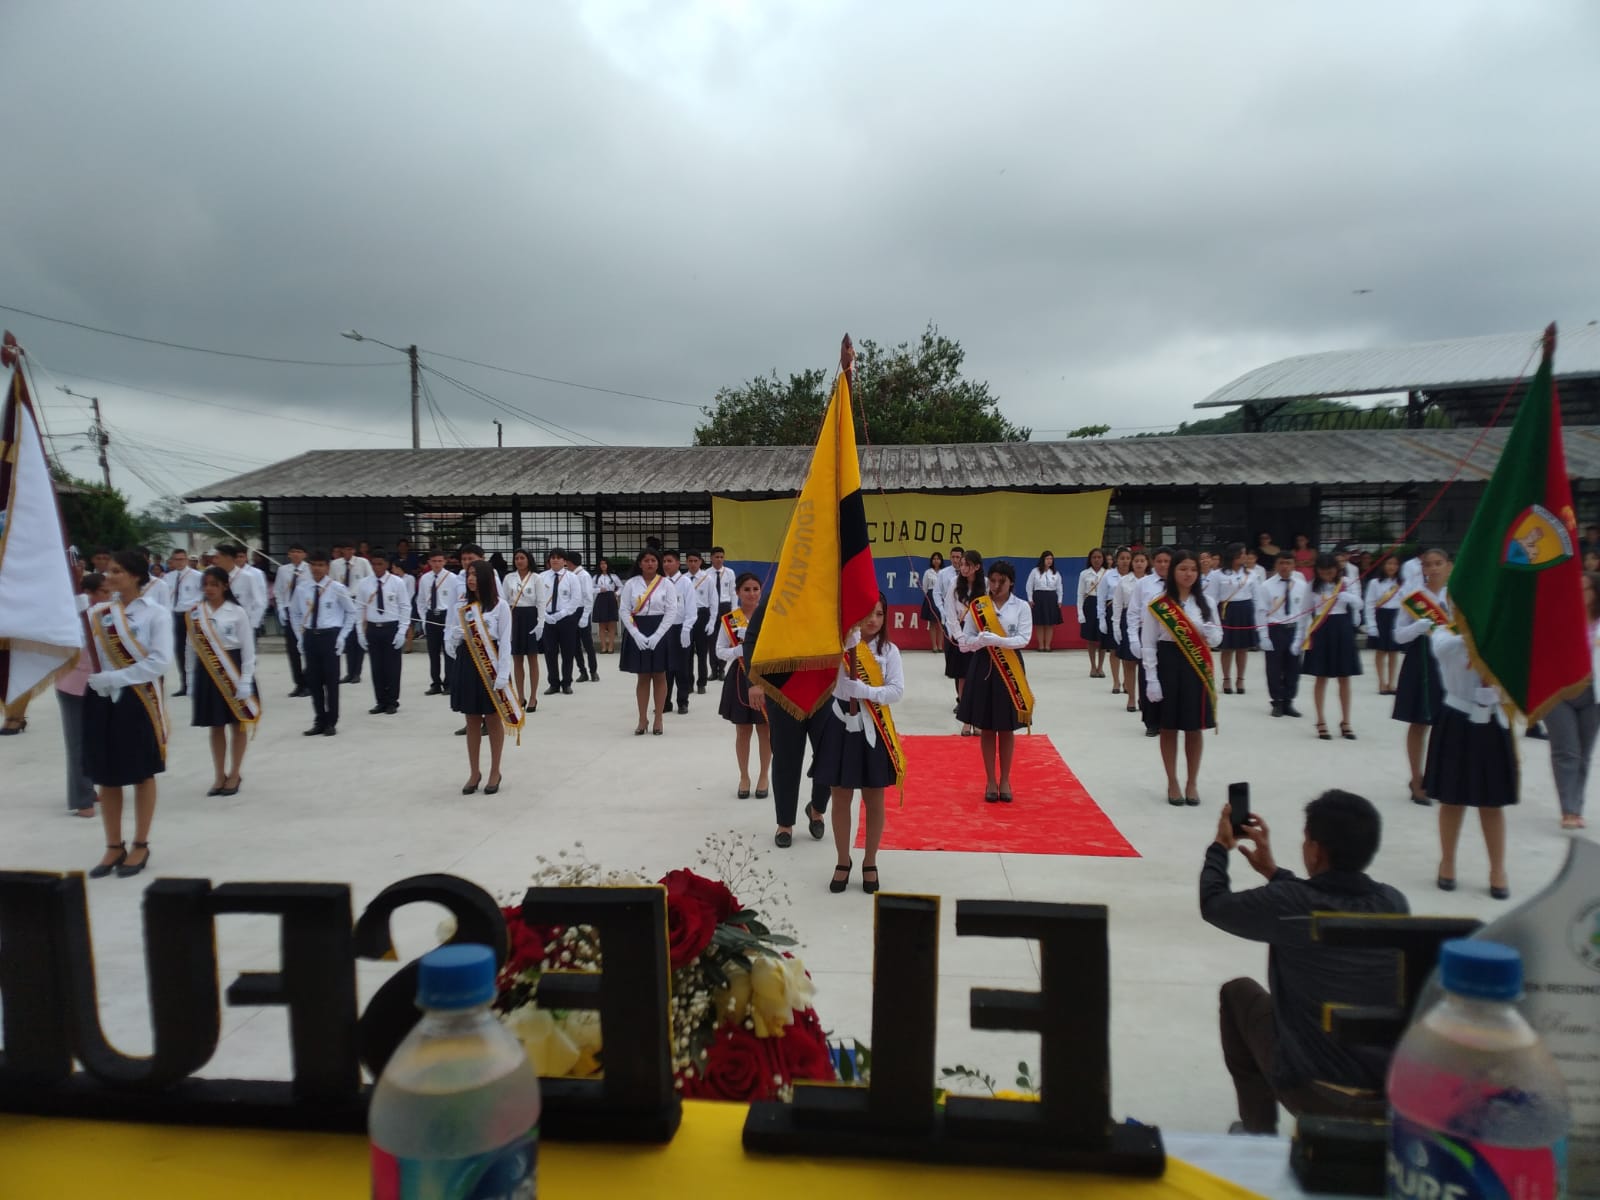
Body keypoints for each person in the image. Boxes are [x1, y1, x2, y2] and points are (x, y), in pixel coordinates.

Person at [1202, 789, 1409, 1135]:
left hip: (1313, 1091)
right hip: (1385, 1093)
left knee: (1237, 994)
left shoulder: (1290, 903)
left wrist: (1220, 847)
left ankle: (1258, 1134)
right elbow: (1320, 901)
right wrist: (1275, 873)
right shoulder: (1393, 903)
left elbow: (1214, 904)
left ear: (1315, 850)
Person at [83, 549, 174, 879]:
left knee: (141, 772)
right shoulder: (97, 613)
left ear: (135, 576)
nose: (108, 576)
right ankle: (113, 845)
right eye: (109, 571)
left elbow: (159, 661)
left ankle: (140, 843)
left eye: (117, 571)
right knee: (106, 774)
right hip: (101, 698)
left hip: (138, 699)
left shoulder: (155, 614)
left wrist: (116, 678)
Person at [816, 593, 905, 896]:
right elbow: (823, 681)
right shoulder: (840, 646)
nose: (873, 620)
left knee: (874, 797)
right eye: (868, 614)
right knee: (841, 796)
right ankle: (843, 859)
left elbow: (896, 691)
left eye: (880, 614)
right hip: (841, 723)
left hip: (873, 726)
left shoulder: (889, 650)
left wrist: (865, 690)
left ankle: (870, 860)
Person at [1426, 628, 1517, 898]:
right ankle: (1447, 862)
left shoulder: (1504, 639)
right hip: (1458, 718)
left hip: (1493, 718)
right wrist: (1474, 640)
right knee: (1451, 799)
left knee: (1492, 802)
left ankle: (1497, 869)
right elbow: (1442, 649)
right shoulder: (1446, 635)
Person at [1135, 549, 1221, 807]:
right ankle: (1172, 781)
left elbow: (1217, 638)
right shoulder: (1159, 603)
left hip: (1195, 666)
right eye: (1183, 569)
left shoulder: (1207, 603)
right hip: (1167, 663)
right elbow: (1148, 643)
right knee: (1168, 727)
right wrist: (1151, 678)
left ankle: (1192, 782)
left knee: (1194, 727)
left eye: (1193, 569)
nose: (1188, 574)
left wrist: (1209, 632)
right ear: (1173, 572)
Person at [956, 559, 1033, 802]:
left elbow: (1024, 638)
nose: (997, 585)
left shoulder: (1021, 606)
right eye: (993, 580)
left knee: (1006, 728)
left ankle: (1006, 779)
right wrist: (979, 641)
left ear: (1012, 583)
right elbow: (966, 641)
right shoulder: (979, 606)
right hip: (984, 665)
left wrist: (998, 640)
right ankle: (990, 779)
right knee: (987, 727)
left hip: (1009, 668)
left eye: (1002, 581)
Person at [445, 560, 515, 795]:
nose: (471, 579)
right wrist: (456, 636)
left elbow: (505, 641)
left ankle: (495, 770)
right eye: (468, 574)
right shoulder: (463, 605)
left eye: (475, 574)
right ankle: (474, 772)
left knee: (492, 718)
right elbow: (452, 635)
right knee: (472, 719)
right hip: (468, 662)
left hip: (491, 663)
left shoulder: (500, 606)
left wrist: (503, 673)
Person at [187, 565, 258, 795]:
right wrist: (189, 679)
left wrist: (246, 679)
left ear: (225, 586)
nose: (209, 589)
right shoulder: (196, 613)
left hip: (233, 668)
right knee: (215, 726)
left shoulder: (237, 612)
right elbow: (190, 648)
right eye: (205, 585)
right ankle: (219, 774)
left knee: (237, 724)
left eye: (214, 585)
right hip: (207, 671)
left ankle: (235, 773)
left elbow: (248, 649)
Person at [1393, 549, 1452, 804]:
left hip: (1451, 660)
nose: (1434, 569)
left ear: (1449, 566)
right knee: (1419, 721)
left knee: (1446, 723)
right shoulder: (1415, 598)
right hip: (1422, 659)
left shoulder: (1456, 595)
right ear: (1423, 568)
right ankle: (1416, 779)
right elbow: (1398, 635)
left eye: (1439, 563)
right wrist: (1418, 627)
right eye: (1429, 564)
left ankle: (1437, 777)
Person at [1545, 571, 1598, 831]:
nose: (1579, 593)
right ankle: (1568, 809)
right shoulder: (1558, 617)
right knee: (1566, 750)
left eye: (1585, 589)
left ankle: (1577, 806)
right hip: (1559, 693)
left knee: (1583, 753)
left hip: (1593, 694)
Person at [57, 569, 108, 818]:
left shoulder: (105, 614)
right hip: (73, 684)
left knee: (96, 739)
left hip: (98, 684)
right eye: (104, 592)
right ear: (88, 594)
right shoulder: (74, 616)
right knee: (77, 742)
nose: (109, 596)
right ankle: (81, 798)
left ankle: (90, 785)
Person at [715, 572, 770, 800]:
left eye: (755, 589)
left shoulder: (769, 616)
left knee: (765, 729)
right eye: (746, 589)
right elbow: (719, 651)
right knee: (743, 730)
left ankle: (764, 775)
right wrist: (741, 649)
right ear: (737, 592)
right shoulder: (730, 620)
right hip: (739, 675)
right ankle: (744, 776)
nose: (751, 594)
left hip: (765, 676)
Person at [290, 549, 356, 737]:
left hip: (330, 636)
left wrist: (342, 636)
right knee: (314, 681)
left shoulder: (337, 588)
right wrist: (300, 637)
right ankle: (319, 719)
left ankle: (331, 721)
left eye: (321, 565)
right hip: (311, 636)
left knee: (331, 682)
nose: (317, 568)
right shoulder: (302, 588)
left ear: (327, 567)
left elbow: (351, 612)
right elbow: (295, 613)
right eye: (314, 565)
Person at [1301, 553, 1363, 741]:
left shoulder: (1347, 582)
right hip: (1321, 630)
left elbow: (1359, 603)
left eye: (1330, 572)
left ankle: (1346, 721)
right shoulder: (1312, 586)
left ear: (1337, 569)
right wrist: (1300, 639)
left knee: (1344, 677)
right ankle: (1320, 720)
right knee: (1321, 677)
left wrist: (1348, 597)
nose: (1327, 576)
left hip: (1342, 628)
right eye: (1323, 572)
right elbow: (1304, 613)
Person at [619, 548, 680, 735]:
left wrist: (658, 635)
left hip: (660, 630)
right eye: (646, 560)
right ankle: (642, 718)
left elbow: (671, 611)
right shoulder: (631, 584)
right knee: (643, 676)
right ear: (640, 563)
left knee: (660, 675)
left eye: (653, 560)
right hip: (637, 629)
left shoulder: (666, 583)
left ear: (658, 563)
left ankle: (658, 718)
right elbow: (624, 610)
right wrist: (635, 634)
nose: (650, 563)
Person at [1255, 552, 1309, 719]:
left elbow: (1306, 611)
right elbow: (1261, 611)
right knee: (1274, 668)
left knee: (1294, 667)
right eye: (1281, 563)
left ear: (1294, 565)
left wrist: (1305, 633)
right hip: (1275, 629)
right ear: (1276, 565)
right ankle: (1277, 701)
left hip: (1295, 629)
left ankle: (1288, 701)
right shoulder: (1266, 586)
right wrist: (1263, 635)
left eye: (1288, 563)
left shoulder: (1302, 585)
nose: (1285, 566)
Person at [356, 549, 409, 716]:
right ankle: (380, 701)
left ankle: (392, 701)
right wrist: (360, 632)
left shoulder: (396, 582)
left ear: (387, 564)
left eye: (380, 564)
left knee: (392, 667)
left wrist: (402, 631)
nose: (377, 567)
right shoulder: (364, 583)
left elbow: (405, 607)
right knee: (376, 667)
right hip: (373, 628)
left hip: (391, 627)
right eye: (374, 564)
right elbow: (359, 608)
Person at [1127, 547, 1173, 738]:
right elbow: (1133, 612)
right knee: (1148, 677)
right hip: (1147, 636)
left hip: (1171, 638)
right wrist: (1133, 639)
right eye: (1159, 561)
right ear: (1153, 562)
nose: (1163, 565)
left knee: (1169, 679)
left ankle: (1168, 719)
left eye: (1167, 561)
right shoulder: (1143, 584)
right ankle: (1151, 722)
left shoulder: (1178, 583)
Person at [944, 550, 984, 736]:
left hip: (979, 633)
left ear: (977, 567)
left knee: (979, 678)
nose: (963, 568)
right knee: (963, 677)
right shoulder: (954, 584)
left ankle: (978, 720)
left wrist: (982, 636)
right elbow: (950, 613)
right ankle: (966, 720)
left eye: (967, 564)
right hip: (960, 632)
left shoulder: (984, 585)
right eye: (962, 564)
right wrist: (959, 637)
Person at [503, 549, 545, 711]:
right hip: (514, 616)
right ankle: (520, 696)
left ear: (528, 560)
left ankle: (533, 696)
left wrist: (540, 623)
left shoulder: (536, 578)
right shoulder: (509, 578)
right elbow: (504, 600)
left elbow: (541, 602)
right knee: (517, 659)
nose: (519, 561)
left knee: (532, 658)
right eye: (516, 558)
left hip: (530, 616)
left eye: (522, 558)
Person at [1212, 544, 1256, 697]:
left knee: (1242, 648)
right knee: (1227, 648)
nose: (1245, 557)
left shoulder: (1251, 574)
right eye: (1242, 553)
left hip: (1245, 610)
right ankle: (1226, 679)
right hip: (1227, 610)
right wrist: (1213, 618)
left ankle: (1240, 679)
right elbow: (1212, 597)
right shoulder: (1218, 575)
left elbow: (1256, 596)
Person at [1106, 547, 1144, 711]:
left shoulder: (1151, 581)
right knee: (1129, 662)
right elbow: (1117, 604)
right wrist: (1116, 626)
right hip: (1128, 620)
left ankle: (1144, 698)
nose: (1139, 564)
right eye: (1136, 561)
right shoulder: (1124, 581)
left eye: (1142, 561)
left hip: (1147, 623)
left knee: (1146, 664)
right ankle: (1131, 698)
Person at [541, 548, 582, 696]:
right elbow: (538, 599)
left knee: (567, 652)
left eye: (558, 558)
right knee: (550, 652)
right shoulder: (542, 577)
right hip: (547, 619)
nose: (555, 560)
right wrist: (545, 615)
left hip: (566, 619)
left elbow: (576, 599)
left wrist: (561, 614)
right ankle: (553, 683)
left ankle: (566, 683)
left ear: (564, 561)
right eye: (552, 557)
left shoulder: (572, 577)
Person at [163, 549, 204, 697]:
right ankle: (184, 685)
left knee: (194, 650)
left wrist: (192, 608)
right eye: (176, 559)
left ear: (186, 560)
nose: (179, 562)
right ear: (172, 561)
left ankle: (197, 683)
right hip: (174, 615)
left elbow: (203, 596)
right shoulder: (167, 577)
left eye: (182, 559)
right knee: (179, 650)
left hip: (190, 615)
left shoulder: (197, 576)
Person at [1363, 554, 1405, 695]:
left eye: (1395, 564)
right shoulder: (1375, 583)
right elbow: (1369, 604)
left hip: (1397, 617)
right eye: (1388, 563)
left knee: (1393, 652)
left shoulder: (1402, 583)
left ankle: (1392, 683)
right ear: (1383, 565)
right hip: (1381, 617)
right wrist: (1371, 625)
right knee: (1380, 651)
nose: (1392, 567)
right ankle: (1381, 682)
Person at [331, 542, 373, 683]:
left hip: (358, 600)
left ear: (354, 550)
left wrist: (367, 600)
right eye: (345, 549)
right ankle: (349, 672)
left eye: (350, 549)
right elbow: (331, 582)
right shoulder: (335, 564)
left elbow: (371, 579)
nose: (347, 552)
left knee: (358, 635)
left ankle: (357, 673)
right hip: (343, 601)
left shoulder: (362, 562)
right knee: (348, 637)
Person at [273, 544, 312, 698]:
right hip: (289, 611)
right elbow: (278, 591)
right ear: (288, 554)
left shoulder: (309, 569)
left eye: (299, 552)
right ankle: (298, 683)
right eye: (293, 552)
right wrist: (281, 608)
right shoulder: (283, 570)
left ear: (305, 554)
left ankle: (308, 682)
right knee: (293, 651)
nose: (296, 554)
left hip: (305, 612)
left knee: (308, 649)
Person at [662, 550, 697, 713]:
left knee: (682, 667)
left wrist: (687, 628)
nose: (666, 564)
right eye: (664, 561)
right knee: (666, 667)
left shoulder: (685, 582)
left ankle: (683, 701)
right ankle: (665, 701)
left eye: (670, 561)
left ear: (677, 563)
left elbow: (691, 608)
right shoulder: (660, 582)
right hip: (664, 628)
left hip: (681, 627)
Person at [417, 550, 453, 695]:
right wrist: (424, 620)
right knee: (433, 653)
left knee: (448, 652)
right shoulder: (425, 578)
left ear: (444, 561)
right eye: (434, 561)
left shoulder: (452, 578)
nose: (437, 564)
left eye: (439, 561)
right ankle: (435, 683)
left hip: (446, 616)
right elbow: (420, 601)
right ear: (429, 562)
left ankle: (449, 683)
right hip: (431, 616)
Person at [685, 550, 716, 695]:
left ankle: (702, 683)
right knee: (687, 653)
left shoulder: (707, 579)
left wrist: (712, 621)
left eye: (695, 561)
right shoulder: (683, 579)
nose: (693, 564)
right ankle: (688, 683)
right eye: (690, 561)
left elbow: (714, 601)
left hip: (702, 615)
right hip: (686, 617)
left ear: (700, 562)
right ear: (686, 562)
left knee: (702, 653)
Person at [567, 550, 599, 683]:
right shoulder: (570, 575)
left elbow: (588, 596)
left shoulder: (583, 575)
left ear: (570, 562)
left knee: (588, 644)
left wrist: (585, 615)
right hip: (572, 611)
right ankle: (582, 671)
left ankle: (593, 671)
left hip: (582, 610)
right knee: (574, 645)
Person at [1028, 548, 1066, 656]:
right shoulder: (1035, 571)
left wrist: (1059, 600)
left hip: (1051, 598)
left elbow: (1059, 588)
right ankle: (1041, 645)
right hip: (1039, 597)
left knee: (1050, 623)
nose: (1049, 561)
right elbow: (1029, 585)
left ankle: (1047, 646)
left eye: (1051, 559)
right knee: (1039, 623)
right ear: (1043, 559)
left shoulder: (1055, 573)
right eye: (1047, 559)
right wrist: (1030, 599)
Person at [707, 547, 737, 678]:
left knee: (725, 639)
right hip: (712, 608)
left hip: (726, 607)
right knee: (712, 639)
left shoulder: (730, 573)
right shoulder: (706, 574)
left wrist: (734, 610)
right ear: (711, 558)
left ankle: (722, 669)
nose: (719, 559)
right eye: (716, 557)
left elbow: (733, 593)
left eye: (721, 557)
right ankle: (713, 670)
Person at [592, 558, 622, 655]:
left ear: (608, 565)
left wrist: (616, 593)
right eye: (601, 564)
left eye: (605, 563)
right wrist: (599, 590)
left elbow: (621, 587)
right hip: (600, 599)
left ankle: (611, 646)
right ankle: (603, 647)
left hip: (611, 599)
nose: (603, 565)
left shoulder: (613, 576)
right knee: (601, 625)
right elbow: (590, 589)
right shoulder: (596, 577)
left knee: (611, 624)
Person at [922, 552, 946, 652]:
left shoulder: (944, 572)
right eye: (934, 559)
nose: (936, 561)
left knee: (941, 622)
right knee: (932, 622)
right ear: (932, 561)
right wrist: (929, 597)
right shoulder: (928, 572)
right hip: (931, 597)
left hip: (941, 597)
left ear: (941, 561)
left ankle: (940, 646)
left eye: (938, 559)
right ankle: (934, 646)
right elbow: (925, 587)